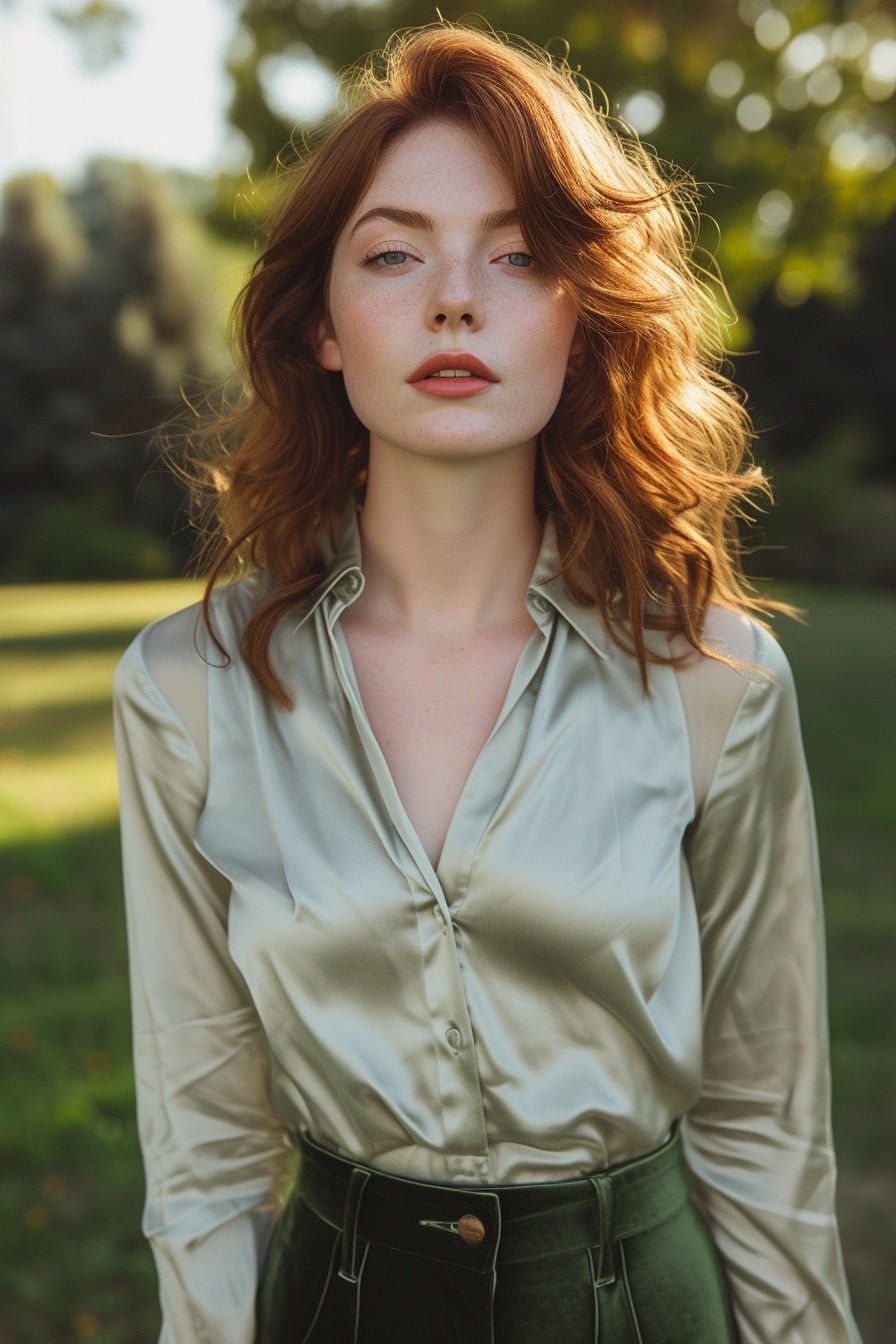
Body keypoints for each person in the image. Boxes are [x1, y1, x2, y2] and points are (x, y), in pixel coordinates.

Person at [113, 23, 863, 1344]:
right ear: (322, 328)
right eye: (395, 254)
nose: (455, 300)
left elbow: (766, 1123)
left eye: (519, 257)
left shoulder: (718, 682)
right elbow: (205, 1149)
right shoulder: (187, 690)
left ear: (584, 319)